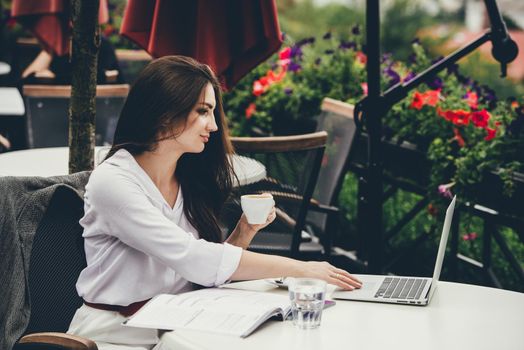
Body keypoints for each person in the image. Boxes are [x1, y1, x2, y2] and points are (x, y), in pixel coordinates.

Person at [67, 55, 362, 350]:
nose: (214, 126)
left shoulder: (186, 178)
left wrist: (245, 231)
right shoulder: (114, 182)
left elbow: (205, 271)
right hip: (115, 336)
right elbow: (191, 257)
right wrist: (302, 269)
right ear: (165, 113)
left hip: (176, 325)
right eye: (203, 111)